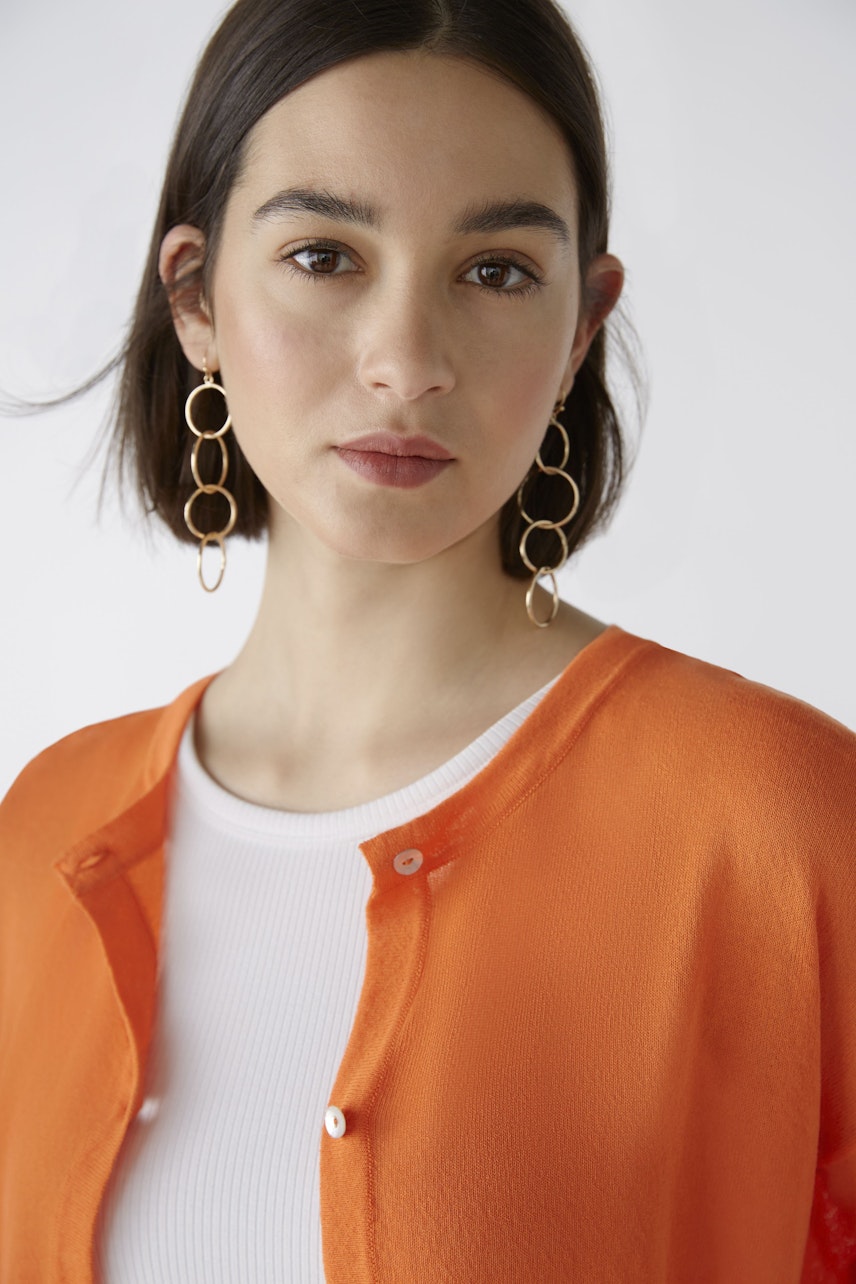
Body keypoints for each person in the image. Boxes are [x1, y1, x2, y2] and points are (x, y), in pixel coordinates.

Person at [1, 0, 853, 1280]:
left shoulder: (778, 825)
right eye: (323, 256)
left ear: (580, 326)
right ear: (194, 297)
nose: (405, 362)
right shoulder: (41, 829)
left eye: (495, 271)